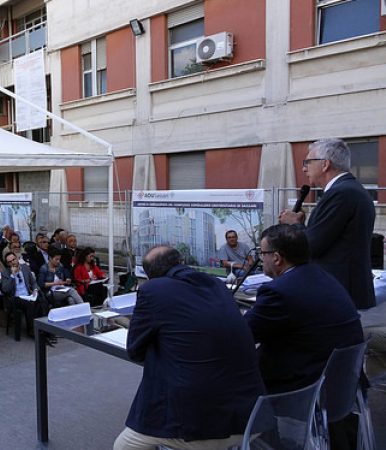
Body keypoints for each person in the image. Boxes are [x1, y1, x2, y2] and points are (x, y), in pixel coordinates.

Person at [114, 246, 264, 450]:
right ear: (181, 262)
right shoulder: (216, 285)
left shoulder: (153, 290)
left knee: (124, 446)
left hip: (201, 425)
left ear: (151, 276)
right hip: (251, 416)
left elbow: (135, 350)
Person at [245, 224, 363, 450]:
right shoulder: (323, 277)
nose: (262, 260)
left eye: (263, 254)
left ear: (277, 258)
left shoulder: (279, 292)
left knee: (238, 378)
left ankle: (266, 443)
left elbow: (242, 336)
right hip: (343, 386)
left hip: (305, 390)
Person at [279, 138, 375, 310]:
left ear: (325, 164)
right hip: (345, 291)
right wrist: (302, 226)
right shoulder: (351, 190)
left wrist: (294, 224)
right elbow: (330, 239)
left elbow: (310, 247)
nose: (303, 168)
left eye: (307, 162)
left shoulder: (340, 194)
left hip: (339, 293)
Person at [0, 252, 49, 340]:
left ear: (17, 259)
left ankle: (44, 328)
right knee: (30, 304)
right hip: (16, 298)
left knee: (42, 300)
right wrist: (12, 275)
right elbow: (5, 289)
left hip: (28, 294)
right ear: (7, 264)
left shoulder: (25, 267)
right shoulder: (5, 273)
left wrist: (35, 290)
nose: (13, 262)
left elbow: (33, 282)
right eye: (10, 262)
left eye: (14, 259)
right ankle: (32, 330)